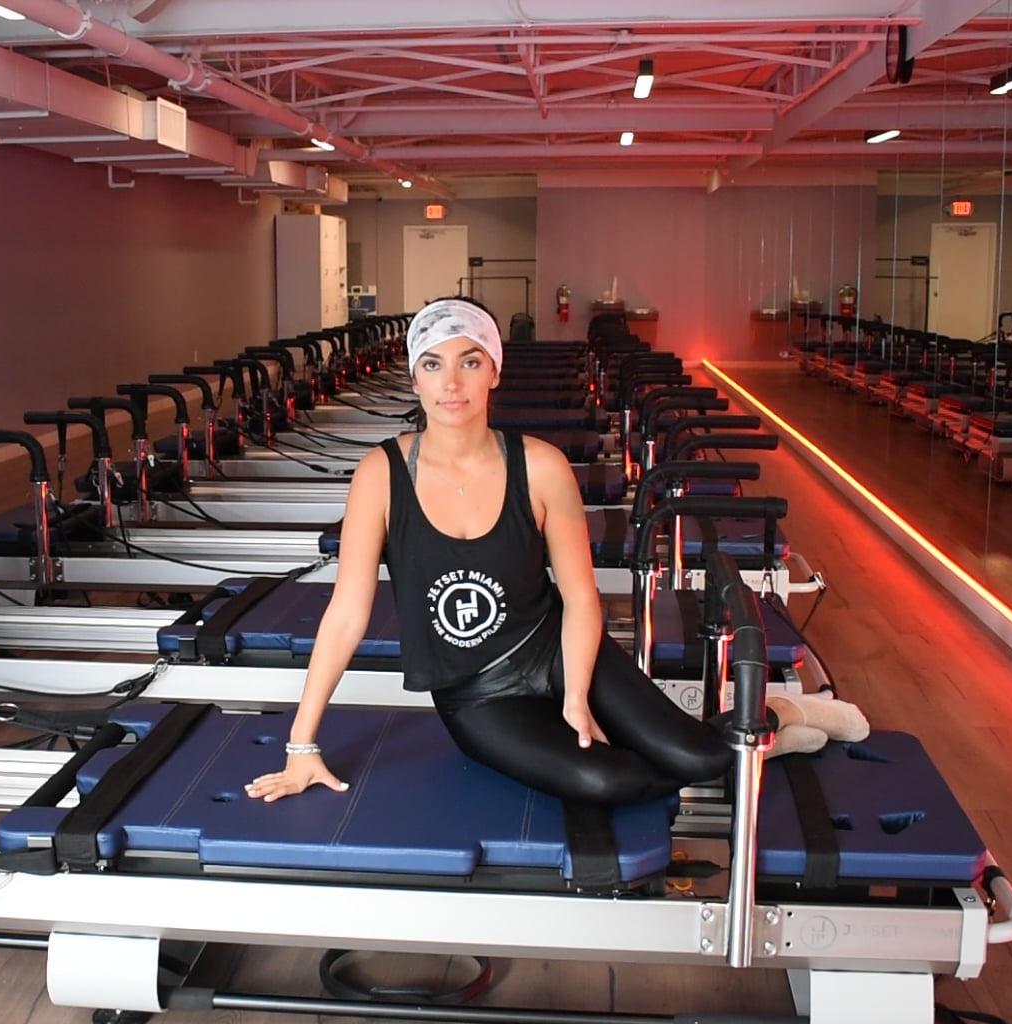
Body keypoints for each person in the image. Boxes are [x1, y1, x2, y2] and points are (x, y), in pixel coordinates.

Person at [244, 298, 756, 808]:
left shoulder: (542, 466)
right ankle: (729, 742)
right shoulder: (380, 475)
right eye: (432, 365)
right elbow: (345, 616)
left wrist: (576, 697)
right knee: (606, 783)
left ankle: (780, 721)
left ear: (493, 372)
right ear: (415, 379)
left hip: (555, 649)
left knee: (698, 758)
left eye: (469, 362)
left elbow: (580, 598)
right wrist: (301, 744)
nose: (451, 383)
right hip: (477, 694)